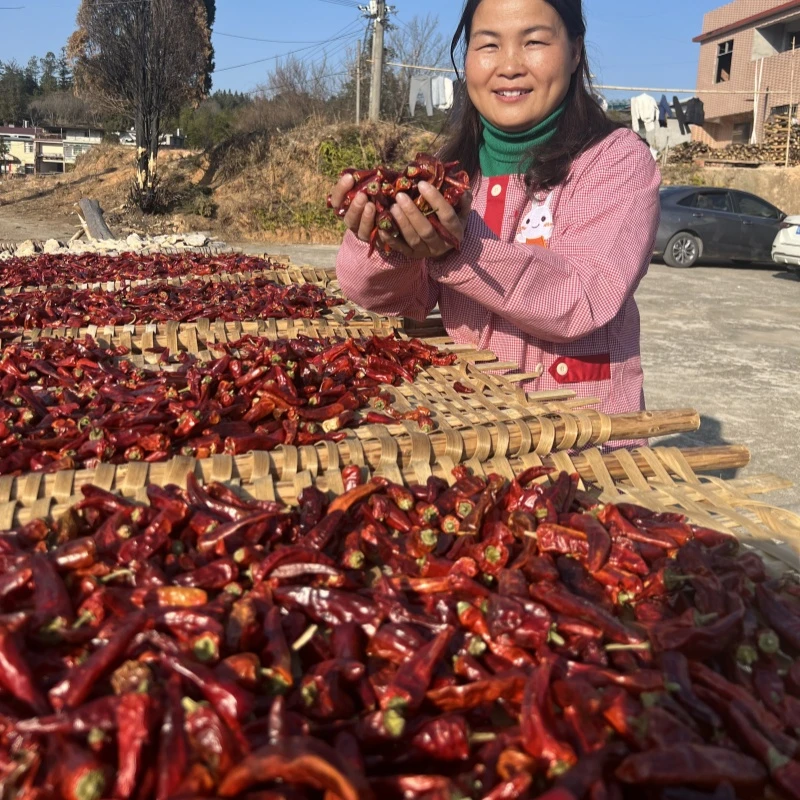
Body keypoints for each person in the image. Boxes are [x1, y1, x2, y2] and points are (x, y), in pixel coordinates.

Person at [331, 0, 661, 419]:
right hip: (474, 433)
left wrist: (459, 248)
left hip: (580, 444)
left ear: (576, 50)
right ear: (467, 56)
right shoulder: (447, 174)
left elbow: (582, 298)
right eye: (488, 45)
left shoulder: (615, 162)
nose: (509, 66)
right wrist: (387, 241)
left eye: (534, 41)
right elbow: (396, 296)